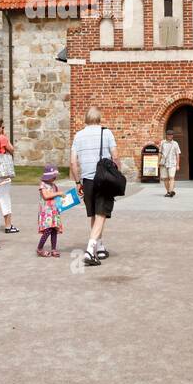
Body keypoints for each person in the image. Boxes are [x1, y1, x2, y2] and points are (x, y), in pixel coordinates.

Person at [69, 107, 117, 267]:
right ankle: (90, 250)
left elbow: (73, 162)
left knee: (95, 215)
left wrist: (77, 182)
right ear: (99, 118)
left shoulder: (78, 135)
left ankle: (100, 247)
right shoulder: (107, 133)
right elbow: (115, 156)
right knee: (102, 213)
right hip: (103, 179)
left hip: (87, 180)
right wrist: (116, 175)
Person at [36, 164, 63, 258]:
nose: (54, 178)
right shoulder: (43, 185)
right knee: (47, 230)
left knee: (54, 230)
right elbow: (46, 196)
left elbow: (56, 198)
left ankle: (53, 249)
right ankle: (39, 249)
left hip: (54, 211)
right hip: (46, 212)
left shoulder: (54, 185)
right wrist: (58, 193)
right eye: (53, 176)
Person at [158, 129, 181, 198]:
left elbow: (178, 154)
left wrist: (177, 165)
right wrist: (158, 162)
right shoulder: (162, 143)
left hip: (172, 163)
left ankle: (170, 191)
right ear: (166, 135)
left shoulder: (175, 143)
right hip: (164, 163)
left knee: (171, 177)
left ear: (173, 136)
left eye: (171, 135)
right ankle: (169, 192)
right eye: (168, 135)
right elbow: (160, 153)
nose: (170, 136)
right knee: (165, 178)